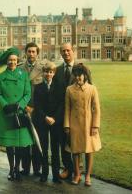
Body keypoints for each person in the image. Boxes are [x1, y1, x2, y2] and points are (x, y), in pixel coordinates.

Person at [0, 47, 34, 181]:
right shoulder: (0, 77)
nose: (12, 62)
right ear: (6, 61)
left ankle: (17, 168)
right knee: (10, 145)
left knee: (20, 143)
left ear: (18, 61)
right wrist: (6, 106)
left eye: (15, 60)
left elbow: (28, 93)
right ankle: (11, 169)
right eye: (10, 60)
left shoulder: (24, 75)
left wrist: (20, 105)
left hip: (20, 113)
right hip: (7, 114)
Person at [53, 43, 92, 181]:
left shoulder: (82, 69)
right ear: (61, 53)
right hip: (61, 112)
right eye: (63, 51)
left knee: (80, 141)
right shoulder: (56, 70)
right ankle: (68, 168)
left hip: (79, 113)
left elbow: (89, 90)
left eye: (68, 50)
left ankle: (79, 171)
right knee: (64, 142)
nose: (66, 53)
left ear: (73, 51)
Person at [64, 64, 101, 186]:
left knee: (89, 150)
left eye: (80, 75)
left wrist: (95, 126)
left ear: (85, 75)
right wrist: (67, 126)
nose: (78, 77)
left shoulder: (92, 89)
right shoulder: (69, 89)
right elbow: (67, 109)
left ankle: (88, 176)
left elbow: (96, 109)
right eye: (76, 75)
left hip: (89, 124)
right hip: (74, 124)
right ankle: (77, 174)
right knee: (75, 150)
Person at [33, 61, 62, 183]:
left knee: (55, 149)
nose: (48, 74)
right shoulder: (38, 87)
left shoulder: (59, 86)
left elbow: (62, 105)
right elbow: (37, 106)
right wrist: (45, 117)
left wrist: (54, 118)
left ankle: (56, 175)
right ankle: (44, 173)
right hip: (43, 121)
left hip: (55, 122)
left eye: (50, 72)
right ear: (43, 73)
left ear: (54, 73)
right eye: (46, 72)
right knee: (43, 148)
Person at [19, 42, 45, 176]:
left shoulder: (43, 68)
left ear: (37, 53)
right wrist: (24, 106)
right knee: (24, 140)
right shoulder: (19, 68)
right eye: (29, 51)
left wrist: (35, 108)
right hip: (23, 109)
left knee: (36, 139)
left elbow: (45, 92)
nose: (31, 54)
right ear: (25, 53)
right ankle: (25, 168)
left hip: (37, 110)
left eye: (34, 52)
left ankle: (37, 168)